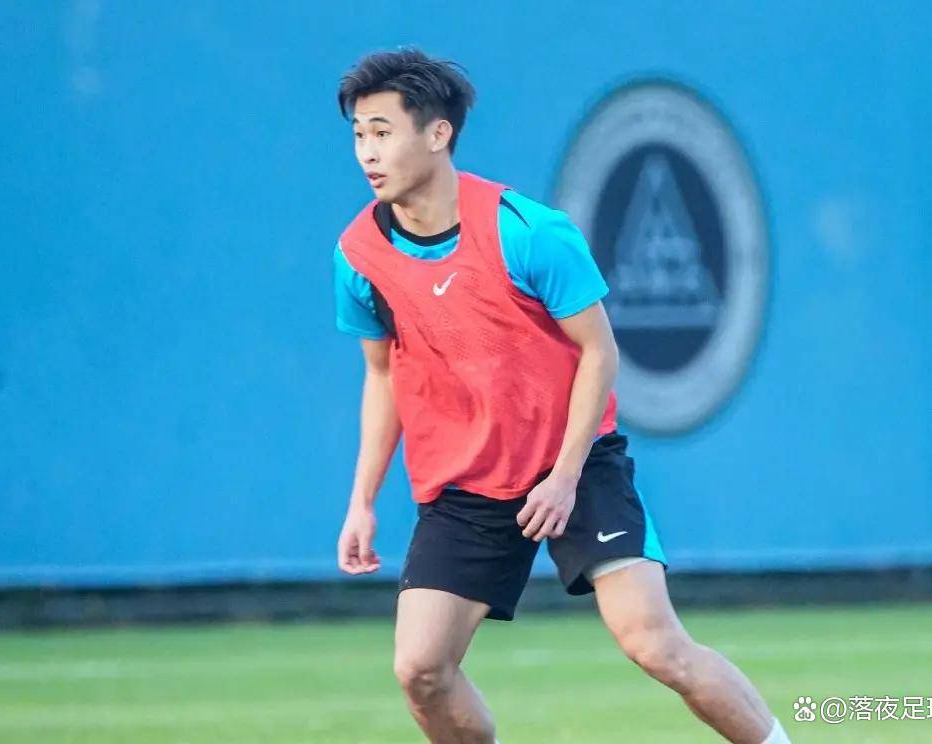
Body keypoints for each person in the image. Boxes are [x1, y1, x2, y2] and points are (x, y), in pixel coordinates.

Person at [333, 46, 790, 744]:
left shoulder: (529, 233)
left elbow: (600, 353)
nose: (367, 151)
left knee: (655, 645)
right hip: (465, 485)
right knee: (421, 670)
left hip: (575, 464)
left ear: (437, 133)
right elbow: (384, 375)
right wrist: (362, 500)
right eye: (359, 133)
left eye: (383, 131)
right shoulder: (358, 254)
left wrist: (565, 476)